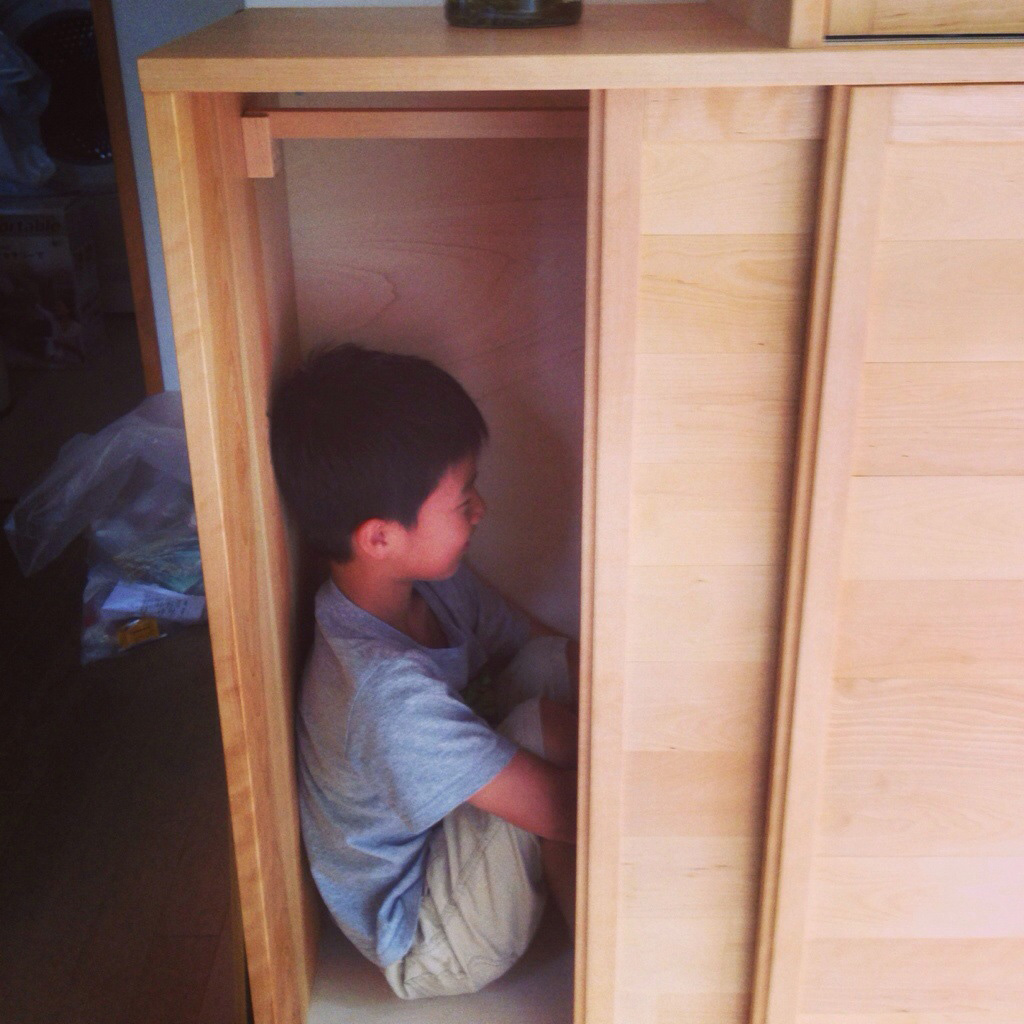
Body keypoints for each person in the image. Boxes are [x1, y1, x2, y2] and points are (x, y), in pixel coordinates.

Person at [268, 343, 579, 1000]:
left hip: (446, 832)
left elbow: (543, 646)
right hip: (432, 937)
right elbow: (562, 808)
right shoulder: (382, 694)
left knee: (549, 665)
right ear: (380, 537)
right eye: (462, 501)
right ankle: (617, 965)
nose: (480, 509)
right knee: (539, 734)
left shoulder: (432, 584)